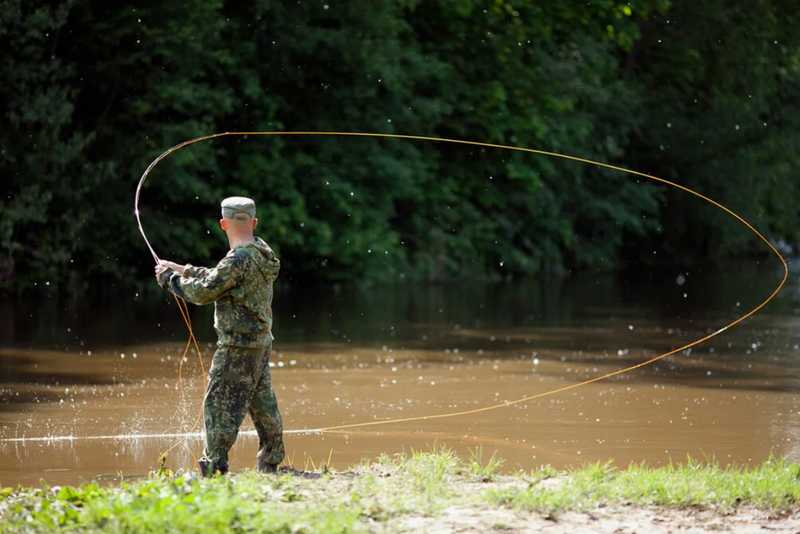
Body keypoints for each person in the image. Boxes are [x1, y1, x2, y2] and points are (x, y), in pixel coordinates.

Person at [154, 196, 284, 476]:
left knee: (218, 403)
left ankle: (214, 465)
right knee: (262, 402)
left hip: (237, 346)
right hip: (260, 342)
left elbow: (203, 292)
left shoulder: (237, 260)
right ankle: (271, 462)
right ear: (254, 222)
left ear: (223, 224)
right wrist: (182, 269)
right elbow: (219, 277)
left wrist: (169, 280)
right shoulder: (262, 251)